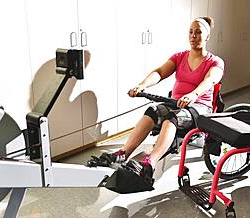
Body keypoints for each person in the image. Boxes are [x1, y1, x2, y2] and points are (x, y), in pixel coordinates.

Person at [88, 16, 224, 187]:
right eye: (190, 32)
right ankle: (123, 153)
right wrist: (142, 85)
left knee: (172, 118)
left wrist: (193, 94)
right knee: (153, 111)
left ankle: (149, 164)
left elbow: (211, 80)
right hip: (176, 103)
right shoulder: (180, 57)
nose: (193, 36)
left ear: (207, 37)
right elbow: (160, 72)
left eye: (198, 32)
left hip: (199, 107)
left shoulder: (215, 61)